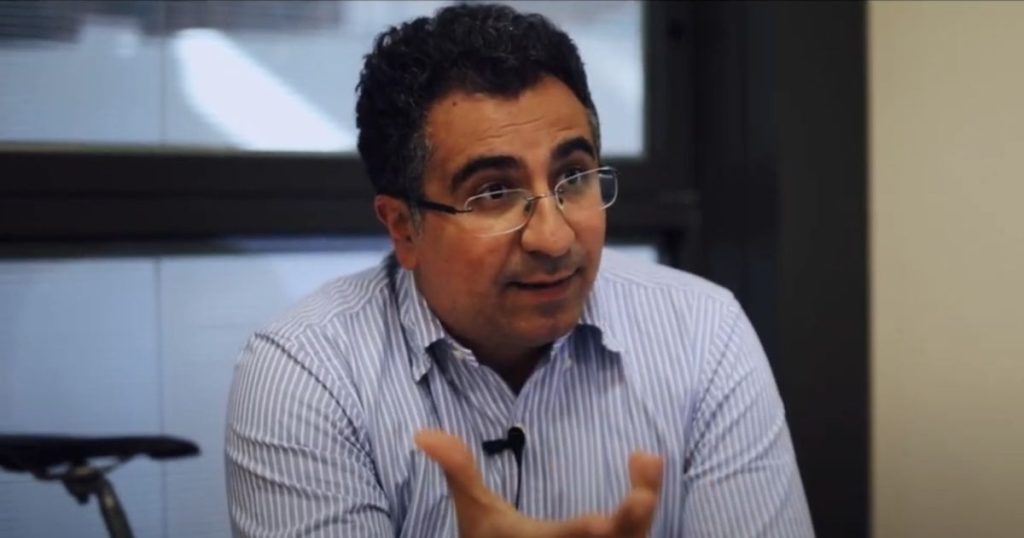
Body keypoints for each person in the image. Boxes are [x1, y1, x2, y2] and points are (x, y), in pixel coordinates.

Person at [225, 3, 814, 537]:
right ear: (403, 226)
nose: (553, 238)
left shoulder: (702, 332)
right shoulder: (309, 373)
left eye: (573, 178)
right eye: (493, 193)